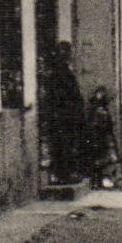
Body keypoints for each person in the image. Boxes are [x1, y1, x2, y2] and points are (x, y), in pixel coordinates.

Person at [39, 41, 85, 183]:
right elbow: (63, 95)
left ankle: (63, 174)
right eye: (67, 53)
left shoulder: (61, 71)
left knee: (64, 145)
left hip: (64, 115)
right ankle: (64, 175)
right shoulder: (61, 72)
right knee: (63, 146)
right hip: (63, 116)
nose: (69, 56)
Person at [85, 87, 120, 187]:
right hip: (102, 138)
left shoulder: (94, 112)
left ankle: (100, 180)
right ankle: (103, 180)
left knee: (100, 160)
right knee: (104, 159)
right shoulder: (101, 113)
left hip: (99, 138)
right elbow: (106, 126)